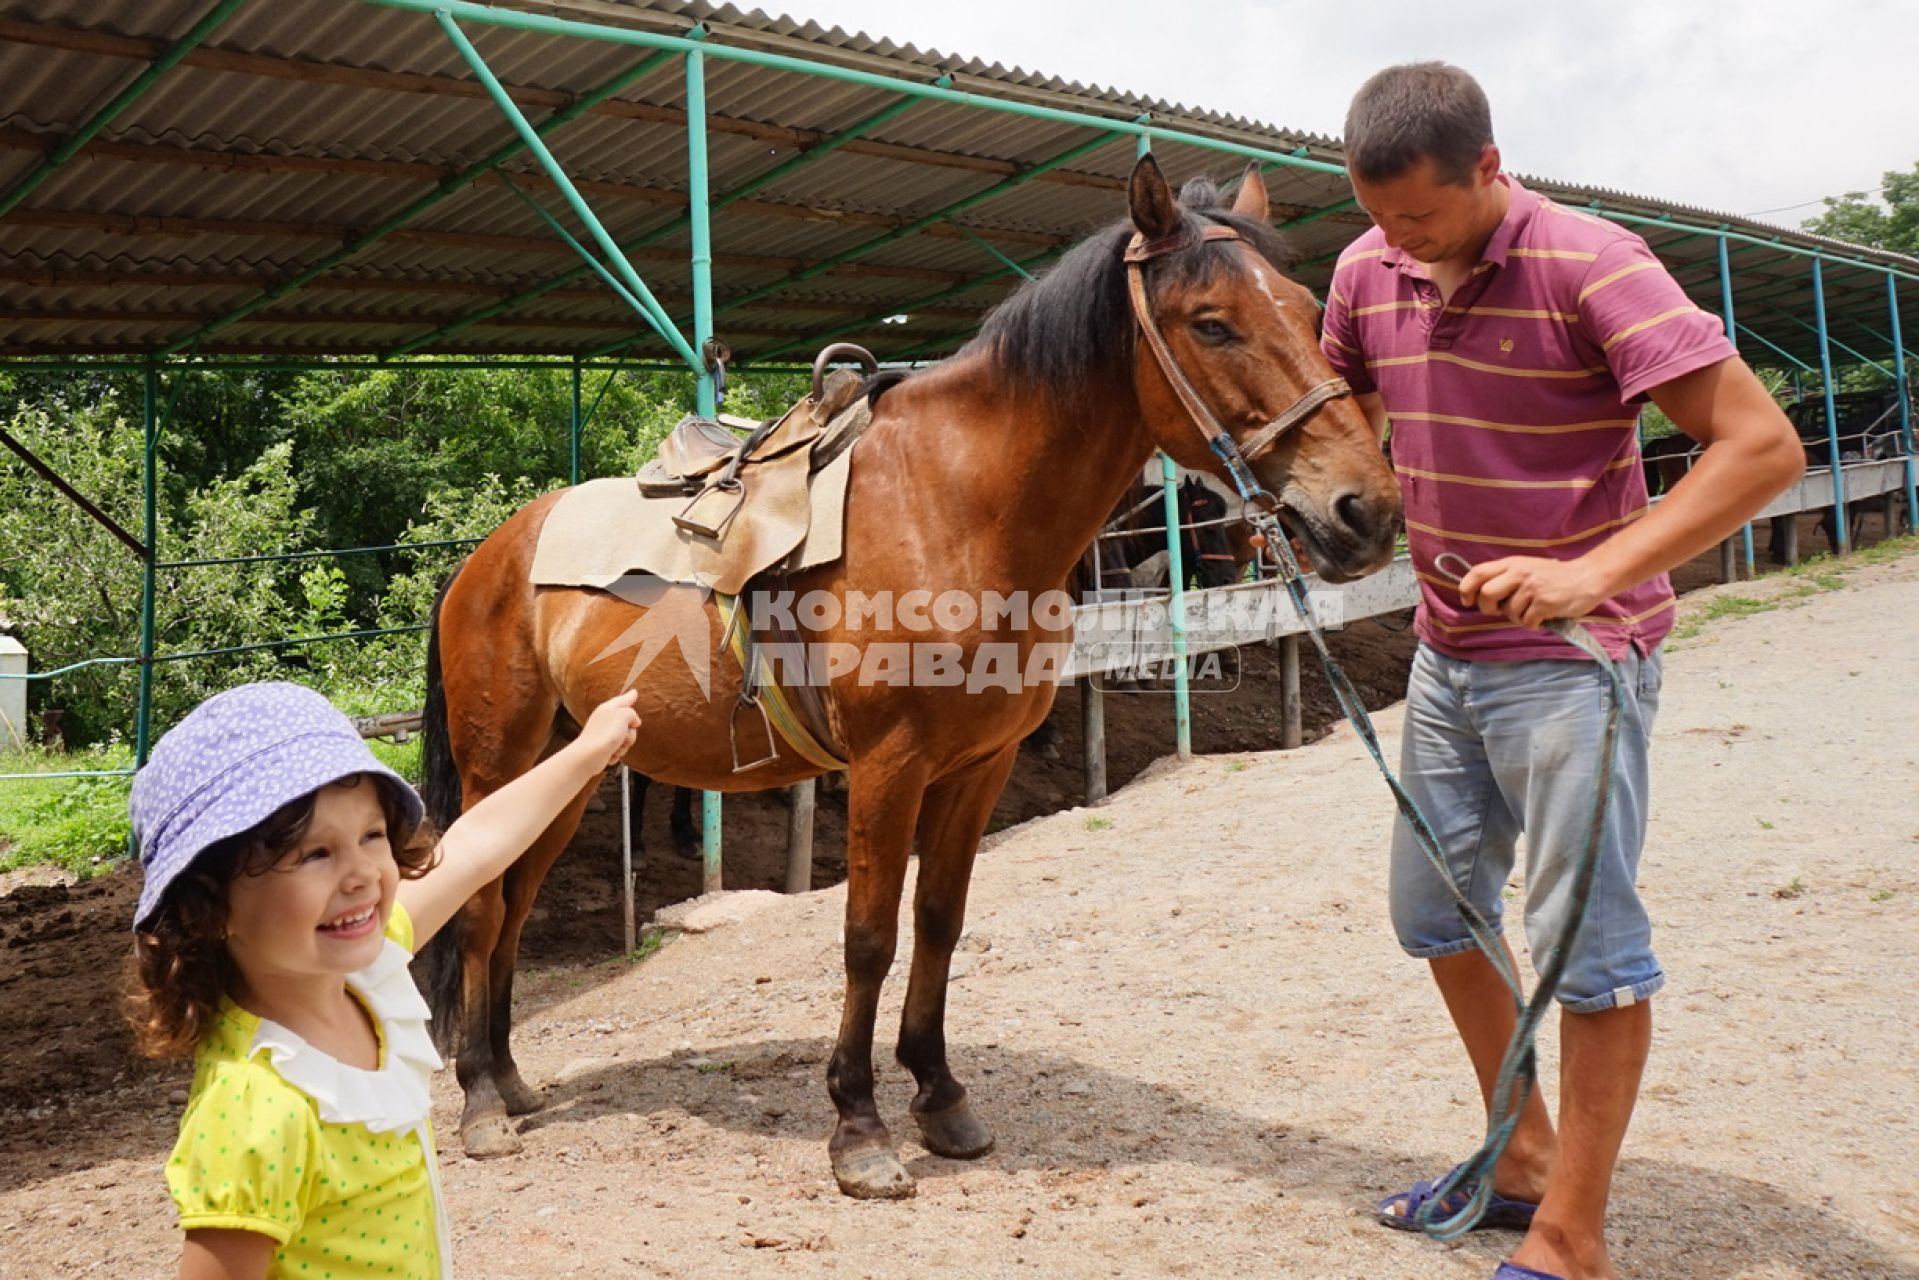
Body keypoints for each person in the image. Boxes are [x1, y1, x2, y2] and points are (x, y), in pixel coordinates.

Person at [1319, 63, 1804, 1280]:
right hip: (1444, 656)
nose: (1397, 244)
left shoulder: (1593, 263)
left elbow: (1760, 447)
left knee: (1586, 950)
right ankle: (1521, 1154)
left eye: (1420, 219)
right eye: (1376, 217)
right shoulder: (1361, 268)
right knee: (1432, 915)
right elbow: (1348, 408)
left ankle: (1571, 1234)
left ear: (1487, 168)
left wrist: (1594, 569)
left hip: (1574, 666)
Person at [126, 681, 641, 1280]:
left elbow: (477, 847)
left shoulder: (364, 975)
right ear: (209, 903)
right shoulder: (257, 1108)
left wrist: (586, 752)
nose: (362, 874)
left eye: (372, 836)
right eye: (315, 853)